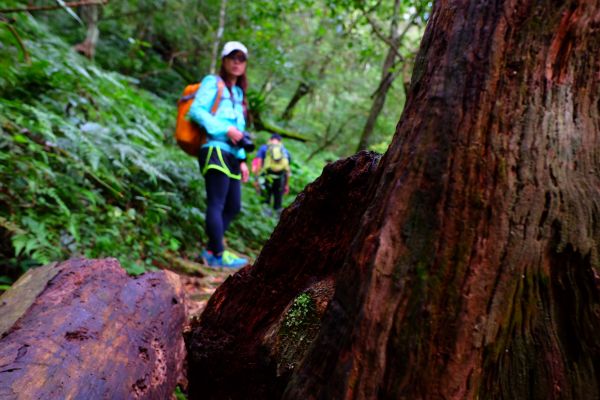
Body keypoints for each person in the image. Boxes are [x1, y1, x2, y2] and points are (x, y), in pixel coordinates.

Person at [187, 41, 251, 268]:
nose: (237, 62)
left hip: (234, 154)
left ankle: (211, 251)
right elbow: (196, 111)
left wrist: (243, 160)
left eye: (241, 59)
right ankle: (219, 253)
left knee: (233, 206)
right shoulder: (212, 82)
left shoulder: (238, 92)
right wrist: (225, 129)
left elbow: (240, 132)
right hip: (215, 148)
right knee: (217, 202)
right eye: (233, 57)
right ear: (224, 60)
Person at [252, 134, 291, 215]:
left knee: (265, 198)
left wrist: (256, 179)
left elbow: (258, 163)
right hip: (281, 177)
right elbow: (288, 170)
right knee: (278, 200)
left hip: (266, 176)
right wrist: (287, 185)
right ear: (280, 141)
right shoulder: (285, 151)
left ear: (270, 139)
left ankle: (264, 218)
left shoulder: (264, 148)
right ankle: (277, 219)